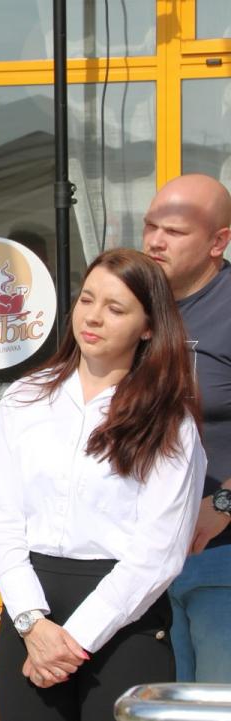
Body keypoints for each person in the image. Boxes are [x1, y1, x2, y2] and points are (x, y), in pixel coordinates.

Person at [0, 248, 205, 720]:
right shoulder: (24, 399)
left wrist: (73, 639)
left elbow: (158, 553)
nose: (94, 317)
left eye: (115, 308)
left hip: (125, 620)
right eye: (86, 299)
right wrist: (33, 623)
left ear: (148, 327)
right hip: (30, 610)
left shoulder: (169, 421)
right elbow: (0, 522)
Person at [143, 173, 231, 682]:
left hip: (219, 559)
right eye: (151, 226)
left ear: (218, 241)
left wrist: (224, 503)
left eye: (174, 232)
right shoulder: (132, 304)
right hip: (138, 562)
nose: (156, 241)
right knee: (148, 707)